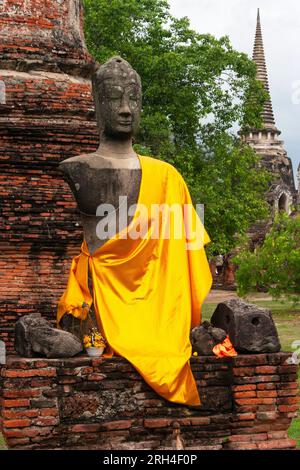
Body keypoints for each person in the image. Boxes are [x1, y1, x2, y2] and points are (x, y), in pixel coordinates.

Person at [57, 57, 212, 406]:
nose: (126, 109)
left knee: (162, 345)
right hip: (102, 292)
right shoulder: (80, 169)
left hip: (159, 307)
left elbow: (183, 250)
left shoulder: (167, 176)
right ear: (97, 105)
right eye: (114, 99)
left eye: (134, 99)